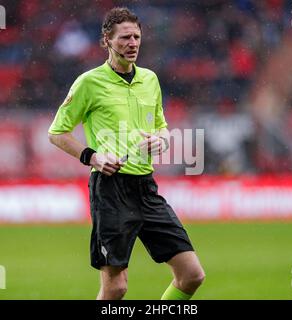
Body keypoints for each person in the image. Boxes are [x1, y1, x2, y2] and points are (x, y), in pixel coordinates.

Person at [48, 7, 205, 300]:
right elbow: (57, 132)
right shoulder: (89, 82)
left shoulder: (150, 80)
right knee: (116, 288)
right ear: (107, 39)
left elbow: (162, 127)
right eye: (124, 38)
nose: (132, 43)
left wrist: (162, 140)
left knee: (191, 275)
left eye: (136, 37)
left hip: (146, 188)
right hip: (111, 190)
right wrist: (93, 156)